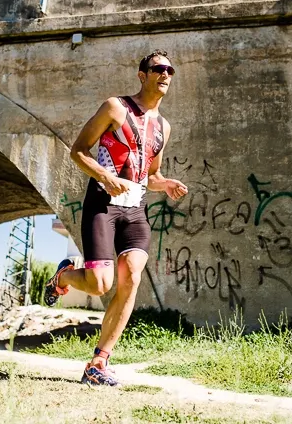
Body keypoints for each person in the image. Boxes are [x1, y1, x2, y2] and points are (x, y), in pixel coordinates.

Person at [44, 49, 189, 386]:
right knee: (100, 284)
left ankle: (98, 363)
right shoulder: (116, 108)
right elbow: (78, 150)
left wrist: (164, 184)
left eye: (170, 70)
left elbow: (150, 174)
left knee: (132, 276)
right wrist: (107, 179)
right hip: (103, 205)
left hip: (135, 211)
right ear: (143, 75)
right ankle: (65, 277)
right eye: (158, 69)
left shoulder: (163, 128)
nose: (165, 74)